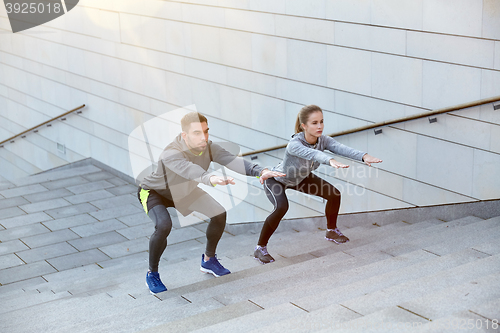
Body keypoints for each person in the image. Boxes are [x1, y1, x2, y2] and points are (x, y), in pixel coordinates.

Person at [138, 112, 284, 294]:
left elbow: (233, 161)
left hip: (185, 191)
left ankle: (208, 260)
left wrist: (260, 170)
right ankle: (152, 273)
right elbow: (190, 170)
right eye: (197, 133)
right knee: (163, 225)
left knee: (219, 213)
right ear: (184, 135)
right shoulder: (171, 153)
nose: (204, 137)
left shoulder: (209, 147)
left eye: (206, 132)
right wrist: (211, 178)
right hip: (155, 192)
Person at [254, 105, 382, 264]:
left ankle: (331, 231)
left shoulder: (324, 140)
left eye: (321, 122)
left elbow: (341, 148)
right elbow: (313, 154)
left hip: (301, 179)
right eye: (314, 123)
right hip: (277, 179)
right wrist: (330, 160)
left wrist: (364, 156)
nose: (319, 126)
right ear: (304, 126)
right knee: (281, 207)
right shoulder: (294, 144)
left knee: (334, 194)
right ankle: (260, 248)